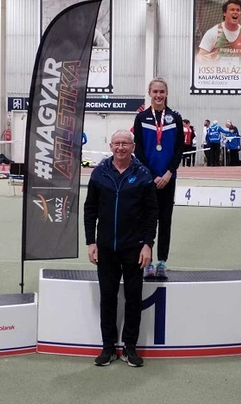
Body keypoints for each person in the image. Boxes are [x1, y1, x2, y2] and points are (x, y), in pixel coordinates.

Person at [84, 130, 158, 368]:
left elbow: (151, 214)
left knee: (133, 298)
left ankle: (130, 348)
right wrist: (91, 242)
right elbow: (90, 209)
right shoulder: (99, 172)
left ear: (133, 147)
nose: (121, 147)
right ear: (110, 146)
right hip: (106, 247)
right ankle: (108, 348)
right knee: (108, 298)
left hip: (134, 248)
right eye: (117, 143)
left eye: (125, 143)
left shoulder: (143, 174)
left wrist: (148, 245)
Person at [133, 78, 184, 281]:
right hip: (147, 180)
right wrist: (152, 176)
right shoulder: (141, 118)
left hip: (168, 178)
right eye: (155, 91)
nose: (158, 95)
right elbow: (139, 150)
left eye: (162, 91)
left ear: (166, 93)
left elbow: (179, 149)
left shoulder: (175, 118)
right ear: (149, 93)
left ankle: (162, 262)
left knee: (165, 220)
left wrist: (169, 173)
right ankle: (147, 262)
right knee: (147, 220)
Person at [196, 0, 241, 67]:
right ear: (224, 13)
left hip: (239, 73)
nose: (235, 12)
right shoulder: (213, 32)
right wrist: (203, 60)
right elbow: (200, 55)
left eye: (238, 10)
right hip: (217, 73)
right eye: (232, 10)